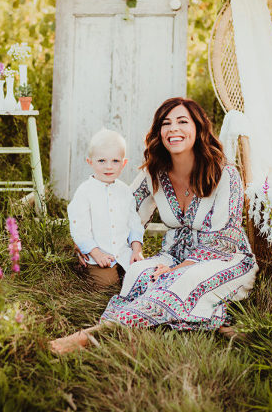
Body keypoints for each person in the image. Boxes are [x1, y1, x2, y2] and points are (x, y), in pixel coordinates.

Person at [51, 97, 258, 354]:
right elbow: (125, 213)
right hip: (171, 257)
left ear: (198, 127)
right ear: (159, 131)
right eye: (166, 123)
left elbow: (225, 239)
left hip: (224, 259)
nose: (173, 129)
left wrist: (178, 268)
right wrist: (87, 243)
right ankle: (205, 322)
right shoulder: (155, 171)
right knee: (139, 274)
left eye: (182, 121)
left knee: (183, 279)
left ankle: (93, 335)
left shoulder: (225, 173)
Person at [67, 128, 146, 287]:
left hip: (124, 254)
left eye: (115, 161)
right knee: (108, 286)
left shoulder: (124, 191)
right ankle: (83, 269)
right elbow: (80, 228)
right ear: (90, 162)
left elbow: (133, 222)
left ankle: (126, 273)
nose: (109, 167)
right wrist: (96, 253)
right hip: (98, 256)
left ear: (123, 163)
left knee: (143, 279)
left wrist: (136, 250)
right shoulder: (85, 192)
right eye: (102, 161)